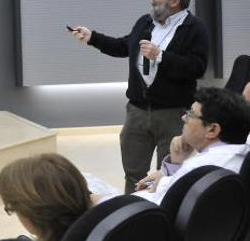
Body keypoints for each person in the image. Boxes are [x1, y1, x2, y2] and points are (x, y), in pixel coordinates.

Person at [70, 0, 209, 193]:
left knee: (167, 176)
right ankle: (133, 218)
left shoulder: (194, 28)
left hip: (173, 114)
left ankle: (163, 221)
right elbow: (123, 46)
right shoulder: (145, 22)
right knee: (134, 176)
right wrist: (92, 38)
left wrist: (161, 56)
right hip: (137, 112)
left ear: (174, 1)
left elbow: (197, 67)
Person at [94, 87, 250, 206]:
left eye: (191, 114)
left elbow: (157, 200)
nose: (183, 117)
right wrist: (175, 165)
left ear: (212, 129)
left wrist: (97, 201)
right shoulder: (237, 157)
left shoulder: (201, 168)